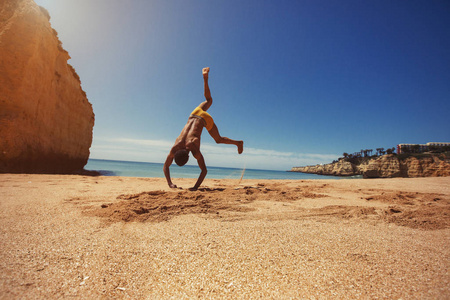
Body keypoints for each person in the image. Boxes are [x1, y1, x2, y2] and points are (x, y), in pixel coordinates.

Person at [163, 67, 243, 190]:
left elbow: (204, 170)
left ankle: (238, 143)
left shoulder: (192, 148)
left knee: (218, 139)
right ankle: (205, 78)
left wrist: (195, 187)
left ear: (188, 157)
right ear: (176, 153)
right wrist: (170, 184)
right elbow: (166, 166)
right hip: (194, 113)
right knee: (209, 100)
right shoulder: (175, 147)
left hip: (205, 119)